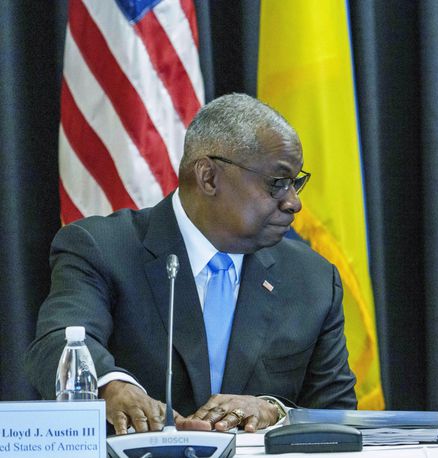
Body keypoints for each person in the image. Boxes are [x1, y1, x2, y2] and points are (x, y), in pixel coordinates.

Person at [26, 93, 357, 434]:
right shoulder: (103, 248)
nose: (294, 203)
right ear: (209, 177)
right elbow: (58, 344)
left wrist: (274, 410)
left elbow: (337, 414)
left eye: (296, 183)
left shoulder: (312, 279)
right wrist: (112, 387)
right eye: (278, 183)